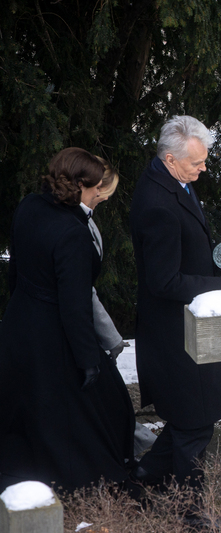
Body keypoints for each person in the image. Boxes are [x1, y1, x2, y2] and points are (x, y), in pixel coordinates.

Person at [129, 115, 221, 528]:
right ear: (170, 158)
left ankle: (144, 480)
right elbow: (164, 281)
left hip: (186, 326)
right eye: (197, 163)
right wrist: (220, 284)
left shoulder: (171, 181)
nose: (204, 169)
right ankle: (193, 515)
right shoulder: (157, 204)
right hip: (174, 333)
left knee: (192, 421)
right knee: (194, 424)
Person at [0, 148, 135, 492]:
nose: (98, 196)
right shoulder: (73, 233)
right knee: (102, 405)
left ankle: (24, 475)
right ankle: (87, 481)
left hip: (19, 323)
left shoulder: (30, 205)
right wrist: (88, 360)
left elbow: (16, 270)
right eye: (94, 190)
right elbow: (74, 306)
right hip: (53, 333)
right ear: (78, 186)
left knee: (28, 405)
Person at [84, 160, 158, 457]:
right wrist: (110, 338)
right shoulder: (76, 227)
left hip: (83, 331)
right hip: (79, 333)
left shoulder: (84, 221)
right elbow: (83, 291)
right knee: (108, 401)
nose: (103, 200)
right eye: (102, 192)